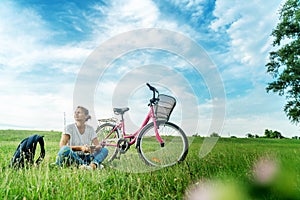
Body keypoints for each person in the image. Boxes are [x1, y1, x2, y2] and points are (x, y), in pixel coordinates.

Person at [55, 106, 108, 170]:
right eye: (75, 112)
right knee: (65, 149)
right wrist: (80, 148)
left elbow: (97, 145)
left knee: (104, 150)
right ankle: (89, 165)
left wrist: (94, 148)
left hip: (87, 156)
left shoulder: (90, 129)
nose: (76, 114)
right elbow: (62, 146)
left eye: (79, 112)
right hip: (73, 155)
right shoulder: (69, 128)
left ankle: (92, 165)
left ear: (86, 116)